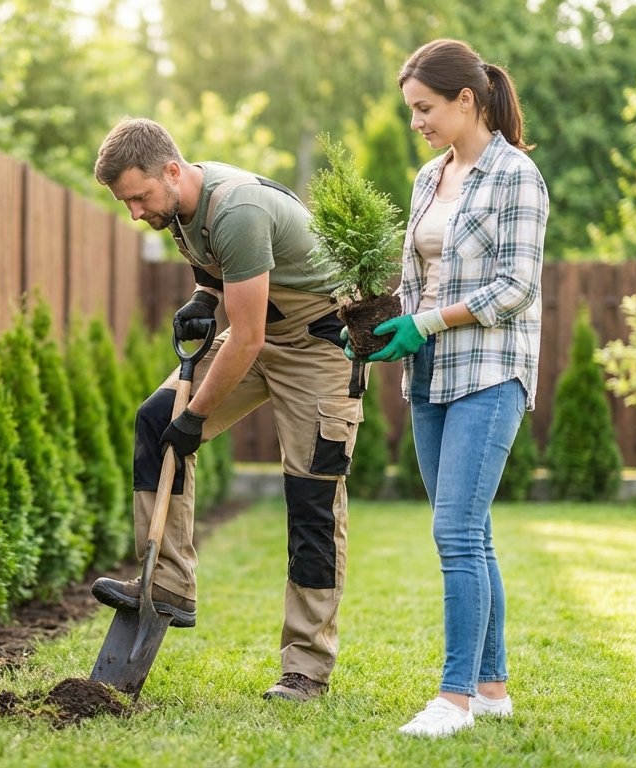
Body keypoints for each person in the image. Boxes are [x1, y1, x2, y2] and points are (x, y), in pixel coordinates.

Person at [90, 117, 365, 703]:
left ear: (171, 170)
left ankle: (305, 669)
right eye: (126, 203)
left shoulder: (236, 209)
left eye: (139, 197)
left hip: (316, 348)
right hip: (260, 333)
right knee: (154, 420)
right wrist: (201, 298)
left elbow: (244, 337)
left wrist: (195, 421)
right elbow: (223, 285)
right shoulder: (180, 209)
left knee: (312, 502)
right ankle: (165, 582)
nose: (136, 213)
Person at [370, 39, 548, 737]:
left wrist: (428, 320)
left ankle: (454, 700)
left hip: (489, 369)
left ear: (466, 100)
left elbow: (517, 286)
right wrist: (389, 325)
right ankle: (493, 686)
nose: (416, 121)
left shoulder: (516, 175)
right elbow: (416, 276)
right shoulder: (427, 178)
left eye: (425, 108)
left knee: (454, 532)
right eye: (412, 109)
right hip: (431, 371)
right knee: (474, 532)